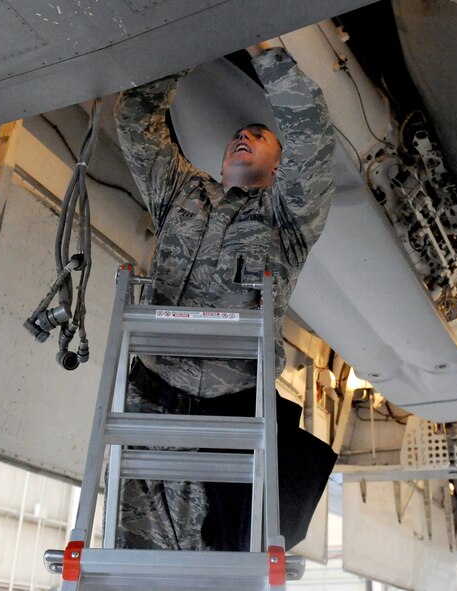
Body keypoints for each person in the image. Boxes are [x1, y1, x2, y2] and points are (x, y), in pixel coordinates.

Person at [112, 41, 336, 551]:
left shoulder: (286, 221)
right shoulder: (180, 193)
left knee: (213, 554)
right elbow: (134, 119)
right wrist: (197, 41)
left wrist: (264, 51)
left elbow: (315, 139)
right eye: (239, 134)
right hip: (150, 404)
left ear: (279, 169)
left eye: (259, 137)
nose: (245, 136)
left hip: (227, 418)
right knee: (138, 551)